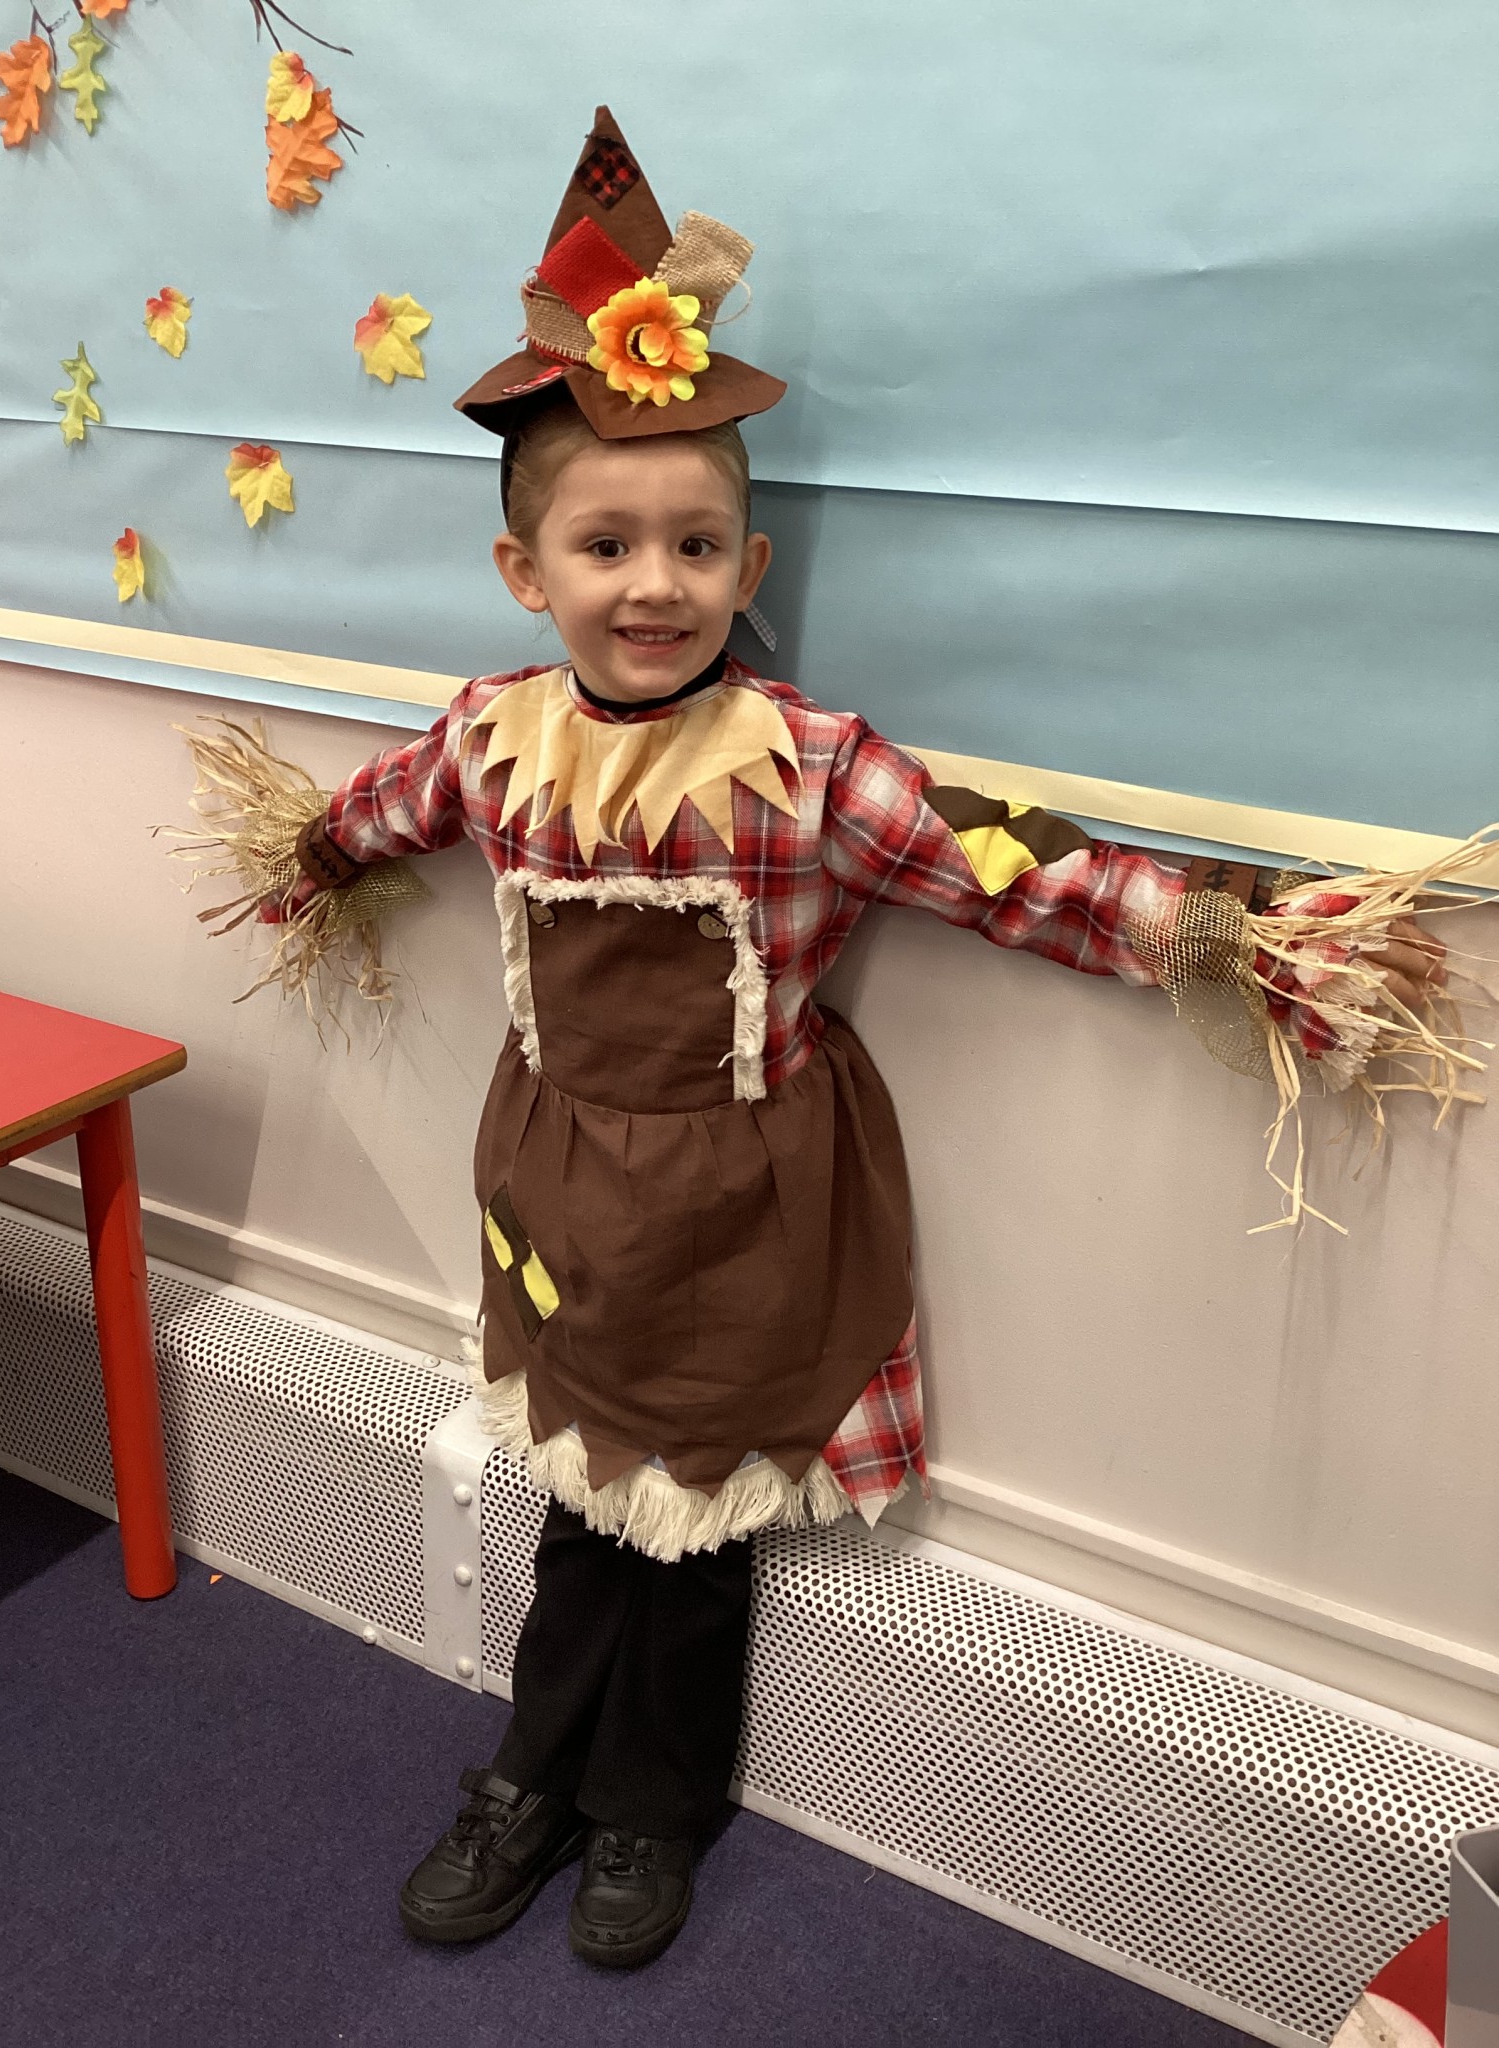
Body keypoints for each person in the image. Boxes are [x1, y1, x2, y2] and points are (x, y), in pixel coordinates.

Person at [261, 109, 1447, 1969]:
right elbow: (379, 814)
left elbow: (1004, 871)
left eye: (698, 544)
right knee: (581, 1490)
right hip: (560, 1176)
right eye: (606, 543)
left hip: (745, 1198)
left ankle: (655, 1804)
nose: (653, 583)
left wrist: (1216, 932)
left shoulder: (814, 773)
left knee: (707, 1512)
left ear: (750, 562)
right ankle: (533, 1770)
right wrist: (301, 859)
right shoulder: (491, 741)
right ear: (525, 574)